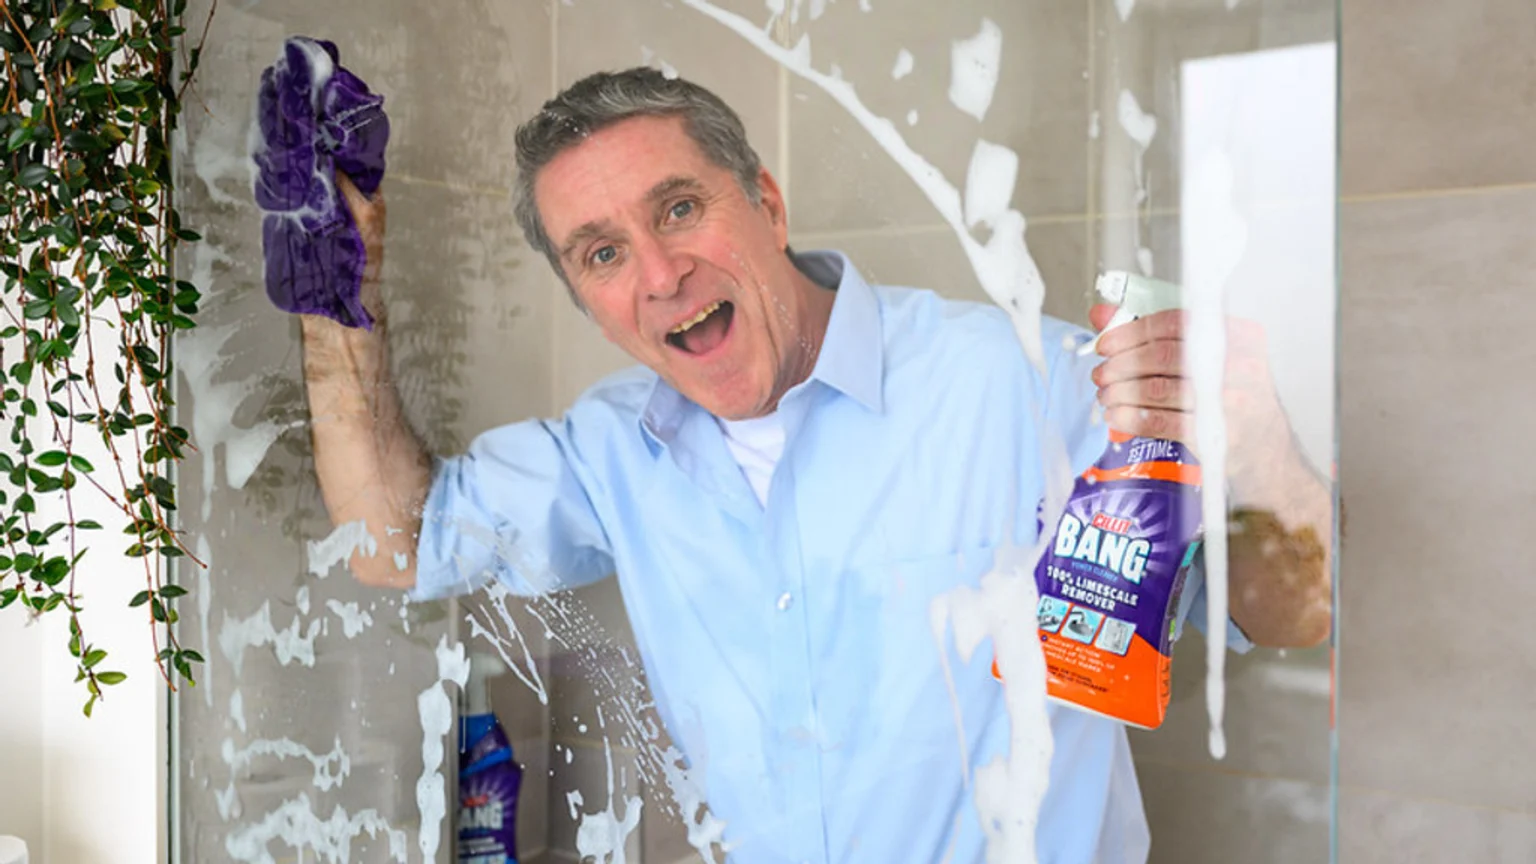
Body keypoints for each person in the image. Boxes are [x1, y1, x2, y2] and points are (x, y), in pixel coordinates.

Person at [300, 67, 1332, 863]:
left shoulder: (1021, 383)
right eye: (602, 253)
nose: (661, 276)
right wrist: (335, 289)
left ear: (766, 202)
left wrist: (1261, 446)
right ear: (584, 297)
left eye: (677, 209)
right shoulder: (611, 451)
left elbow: (1295, 613)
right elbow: (394, 541)